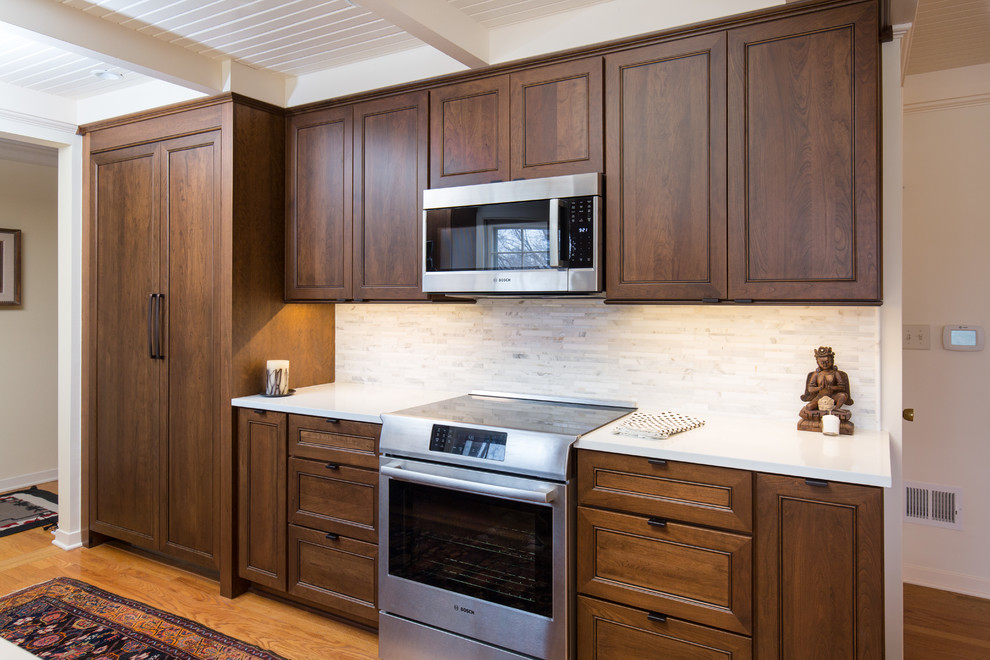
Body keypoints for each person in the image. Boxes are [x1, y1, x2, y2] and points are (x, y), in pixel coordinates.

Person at [799, 346, 853, 420]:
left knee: (843, 396)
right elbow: (810, 389)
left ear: (832, 361)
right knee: (809, 407)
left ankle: (836, 409)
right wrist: (819, 388)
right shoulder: (816, 374)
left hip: (833, 396)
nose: (825, 364)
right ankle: (821, 415)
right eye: (822, 362)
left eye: (827, 362)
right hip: (820, 397)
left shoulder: (835, 373)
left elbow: (842, 387)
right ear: (817, 362)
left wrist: (832, 387)